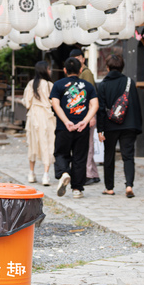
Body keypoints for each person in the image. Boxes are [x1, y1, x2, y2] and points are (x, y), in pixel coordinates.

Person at [49, 56, 98, 199]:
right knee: (80, 158)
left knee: (60, 153)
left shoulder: (58, 85)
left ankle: (64, 173)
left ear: (64, 70)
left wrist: (65, 121)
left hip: (64, 128)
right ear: (81, 70)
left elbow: (55, 105)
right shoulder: (88, 86)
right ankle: (77, 189)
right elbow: (95, 105)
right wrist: (85, 121)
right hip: (82, 128)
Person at [96, 53, 144, 198]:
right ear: (122, 67)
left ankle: (109, 188)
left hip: (110, 126)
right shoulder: (130, 82)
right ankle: (129, 185)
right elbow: (136, 105)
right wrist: (136, 125)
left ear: (108, 67)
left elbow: (101, 109)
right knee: (128, 156)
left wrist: (100, 129)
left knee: (109, 156)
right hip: (129, 125)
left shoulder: (103, 85)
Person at [68, 48, 101, 185]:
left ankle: (87, 174)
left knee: (87, 144)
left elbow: (90, 95)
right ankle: (93, 173)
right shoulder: (80, 73)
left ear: (82, 58)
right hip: (83, 113)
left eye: (78, 58)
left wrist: (91, 116)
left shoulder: (86, 73)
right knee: (86, 143)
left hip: (87, 113)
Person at [22, 60, 55, 185]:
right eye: (48, 68)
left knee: (33, 143)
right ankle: (45, 175)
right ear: (45, 70)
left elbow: (27, 102)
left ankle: (31, 172)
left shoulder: (31, 84)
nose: (50, 71)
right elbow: (53, 102)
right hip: (46, 116)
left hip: (33, 116)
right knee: (47, 143)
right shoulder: (49, 85)